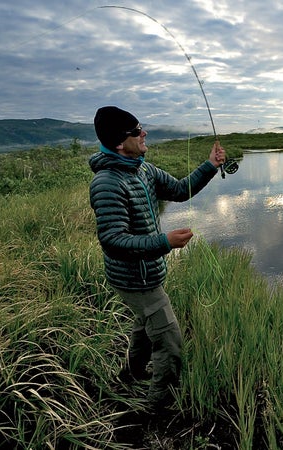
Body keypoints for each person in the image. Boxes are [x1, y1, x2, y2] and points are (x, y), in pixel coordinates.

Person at [88, 105, 225, 413]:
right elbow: (113, 241)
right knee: (169, 341)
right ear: (121, 143)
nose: (144, 132)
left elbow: (178, 190)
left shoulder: (143, 169)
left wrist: (209, 165)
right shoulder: (107, 183)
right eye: (137, 131)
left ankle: (131, 375)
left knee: (144, 326)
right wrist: (165, 242)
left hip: (146, 273)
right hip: (134, 278)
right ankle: (157, 408)